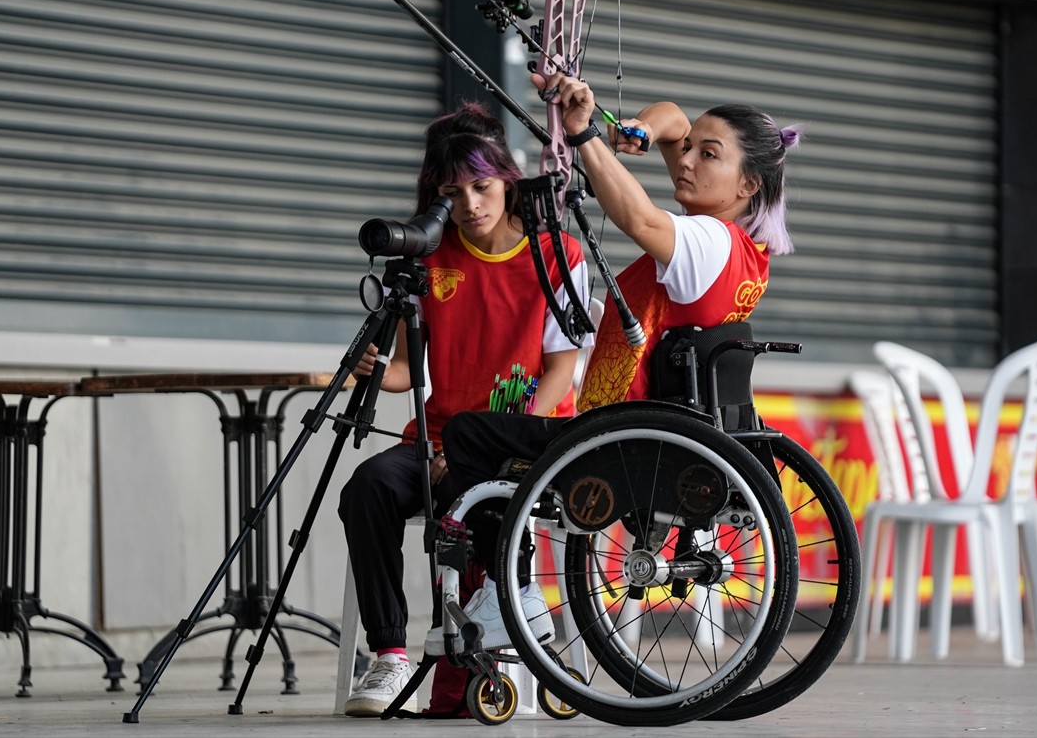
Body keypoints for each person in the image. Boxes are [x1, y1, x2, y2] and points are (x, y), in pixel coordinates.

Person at [441, 73, 800, 611]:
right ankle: (507, 589)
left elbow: (635, 217)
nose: (686, 161)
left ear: (747, 185)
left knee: (469, 433)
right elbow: (676, 117)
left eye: (709, 155)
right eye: (690, 151)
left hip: (623, 438)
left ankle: (507, 593)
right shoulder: (744, 251)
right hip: (656, 436)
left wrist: (584, 135)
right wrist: (642, 129)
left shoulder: (705, 240)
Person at [338, 101, 591, 717]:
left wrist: (497, 439)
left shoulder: (558, 255)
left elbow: (562, 371)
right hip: (437, 438)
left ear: (507, 178)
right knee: (365, 489)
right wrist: (371, 371)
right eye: (455, 192)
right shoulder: (428, 258)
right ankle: (391, 653)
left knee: (475, 499)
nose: (472, 204)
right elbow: (407, 371)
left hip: (523, 445)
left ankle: (486, 644)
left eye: (483, 186)